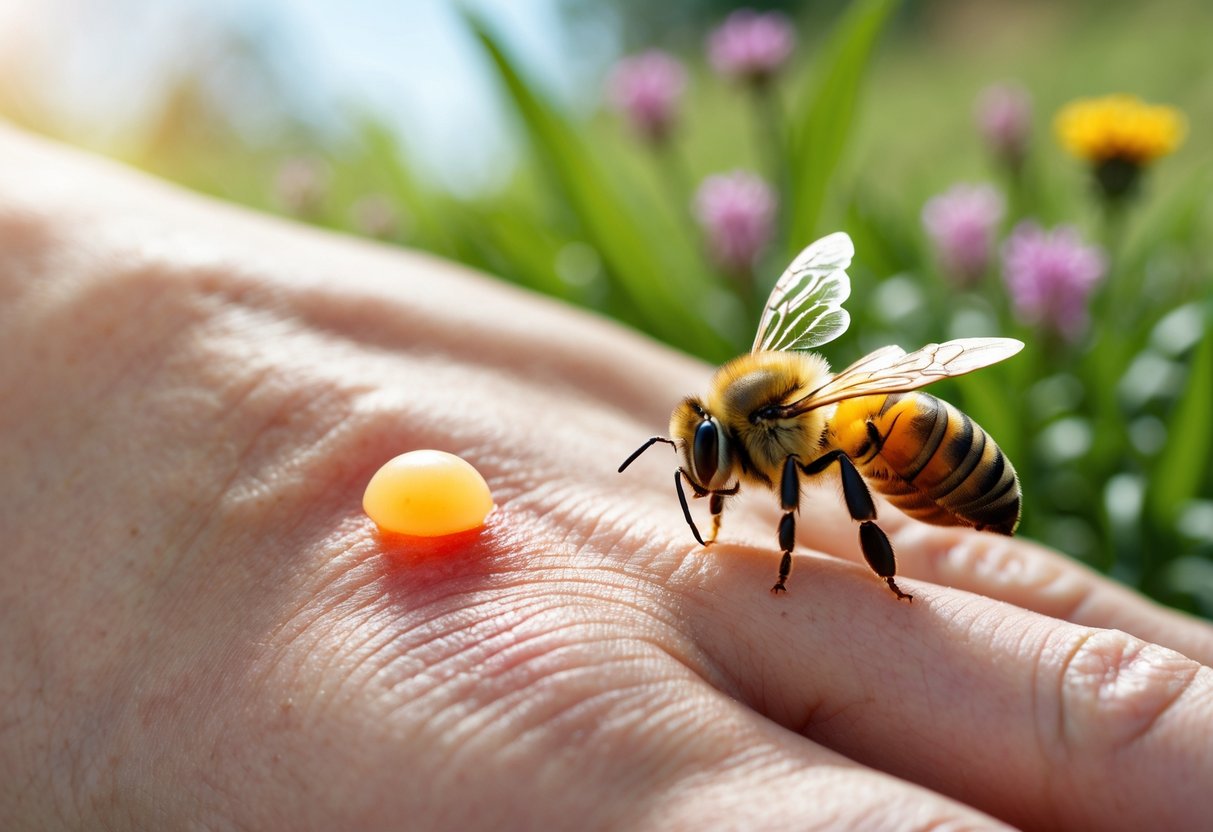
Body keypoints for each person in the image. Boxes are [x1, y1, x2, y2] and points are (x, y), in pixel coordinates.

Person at [1, 123, 1210, 831]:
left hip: (908, 440)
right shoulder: (739, 412)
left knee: (871, 477)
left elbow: (804, 468)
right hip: (876, 430)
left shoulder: (784, 433)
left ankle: (893, 573)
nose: (704, 478)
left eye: (708, 464)